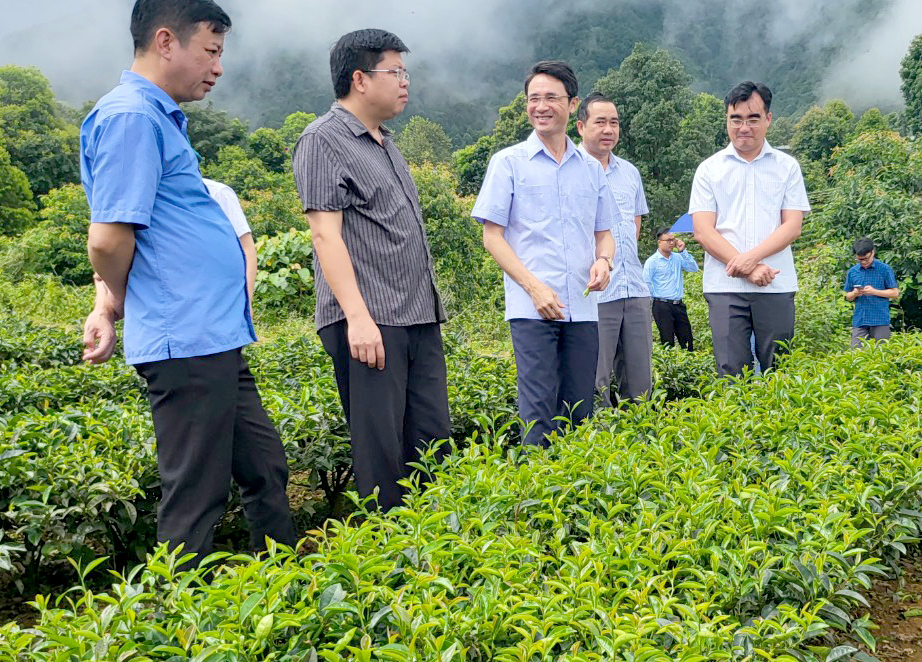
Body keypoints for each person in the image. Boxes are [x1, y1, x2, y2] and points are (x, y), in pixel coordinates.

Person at [79, 0, 295, 565]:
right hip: (185, 339)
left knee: (264, 468)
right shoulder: (131, 118)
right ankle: (176, 625)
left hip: (212, 337)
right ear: (167, 41)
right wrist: (120, 300)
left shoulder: (156, 117)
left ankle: (284, 594)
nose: (218, 67)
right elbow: (108, 239)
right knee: (196, 496)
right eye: (212, 50)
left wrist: (108, 302)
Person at [292, 29, 451, 512]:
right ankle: (386, 566)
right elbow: (326, 236)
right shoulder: (323, 140)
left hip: (417, 315)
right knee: (382, 454)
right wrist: (357, 317)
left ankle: (437, 551)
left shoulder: (385, 143)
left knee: (432, 442)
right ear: (359, 79)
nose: (406, 81)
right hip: (371, 320)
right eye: (395, 71)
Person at [471, 60, 614, 446]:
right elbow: (492, 236)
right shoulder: (508, 163)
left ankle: (575, 498)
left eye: (551, 97)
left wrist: (604, 261)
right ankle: (536, 497)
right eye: (534, 98)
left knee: (580, 411)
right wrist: (534, 288)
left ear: (572, 105)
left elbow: (605, 233)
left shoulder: (590, 168)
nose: (541, 106)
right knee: (538, 411)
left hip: (582, 308)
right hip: (532, 309)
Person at [689, 81, 810, 376]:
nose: (744, 126)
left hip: (776, 285)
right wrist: (749, 268)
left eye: (753, 118)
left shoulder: (787, 167)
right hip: (724, 288)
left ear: (768, 119)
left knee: (780, 372)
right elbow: (703, 231)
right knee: (730, 372)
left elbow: (792, 226)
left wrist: (749, 259)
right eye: (736, 119)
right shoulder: (709, 169)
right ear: (727, 120)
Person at [575, 93, 653, 405]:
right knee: (595, 383)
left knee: (640, 383)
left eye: (614, 122)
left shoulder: (630, 172)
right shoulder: (571, 170)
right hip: (595, 294)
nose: (608, 129)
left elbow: (634, 224)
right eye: (600, 122)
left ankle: (640, 444)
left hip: (633, 287)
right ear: (581, 126)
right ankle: (599, 447)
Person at [203, 178, 257, 306]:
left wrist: (247, 301)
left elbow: (247, 249)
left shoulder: (217, 193)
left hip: (221, 298)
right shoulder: (154, 195)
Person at [643, 228, 699, 350]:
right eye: (668, 240)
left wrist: (683, 251)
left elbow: (693, 268)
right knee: (667, 341)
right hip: (662, 305)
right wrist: (656, 298)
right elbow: (646, 282)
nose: (672, 243)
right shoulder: (652, 261)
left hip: (678, 304)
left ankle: (688, 365)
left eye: (673, 239)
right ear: (659, 242)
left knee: (687, 340)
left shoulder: (678, 258)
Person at [842, 237, 899, 348]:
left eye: (866, 259)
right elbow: (847, 296)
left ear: (873, 252)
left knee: (881, 354)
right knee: (856, 354)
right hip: (860, 320)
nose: (863, 262)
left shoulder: (884, 269)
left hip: (880, 320)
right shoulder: (852, 272)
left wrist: (874, 291)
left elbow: (895, 293)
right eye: (860, 259)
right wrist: (854, 293)